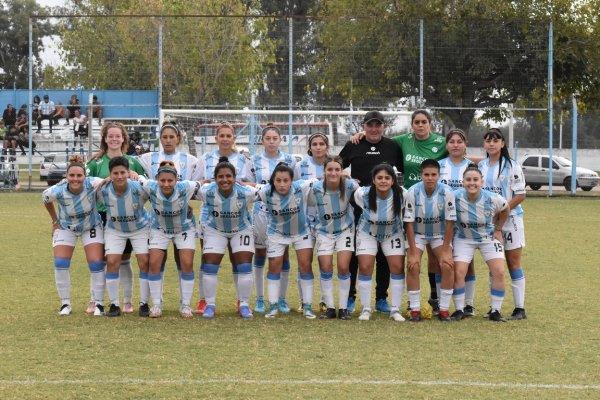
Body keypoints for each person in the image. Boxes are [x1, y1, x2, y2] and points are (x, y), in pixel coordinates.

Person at [350, 110, 452, 314]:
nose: (420, 125)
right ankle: (369, 304)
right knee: (391, 260)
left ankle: (435, 299)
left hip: (427, 201)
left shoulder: (441, 143)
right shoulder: (402, 141)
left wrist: (486, 159)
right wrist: (362, 136)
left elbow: (459, 152)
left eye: (424, 122)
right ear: (412, 124)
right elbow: (377, 138)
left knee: (437, 259)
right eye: (417, 122)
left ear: (430, 124)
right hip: (408, 202)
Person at [339, 110, 403, 314]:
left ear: (384, 126)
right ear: (363, 127)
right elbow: (337, 166)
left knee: (385, 255)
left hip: (387, 207)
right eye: (369, 125)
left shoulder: (392, 146)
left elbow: (402, 169)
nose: (374, 129)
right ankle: (350, 296)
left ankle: (381, 298)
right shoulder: (354, 144)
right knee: (359, 255)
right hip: (360, 206)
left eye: (378, 125)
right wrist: (349, 181)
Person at [137, 121, 200, 307]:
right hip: (159, 219)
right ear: (160, 139)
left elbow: (200, 182)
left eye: (172, 136)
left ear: (178, 138)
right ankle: (157, 303)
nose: (168, 140)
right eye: (164, 137)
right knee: (157, 260)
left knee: (184, 262)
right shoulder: (149, 158)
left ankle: (185, 304)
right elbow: (127, 162)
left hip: (183, 219)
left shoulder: (191, 160)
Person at [86, 122, 146, 314]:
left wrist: (135, 176)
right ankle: (95, 299)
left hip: (127, 216)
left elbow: (144, 189)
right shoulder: (95, 162)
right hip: (101, 215)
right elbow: (86, 186)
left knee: (125, 259)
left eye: (117, 136)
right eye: (110, 136)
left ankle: (127, 301)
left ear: (123, 138)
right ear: (104, 139)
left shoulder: (133, 162)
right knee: (101, 259)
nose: (114, 139)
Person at [194, 121, 250, 314]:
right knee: (208, 258)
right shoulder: (206, 158)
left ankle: (241, 301)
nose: (225, 139)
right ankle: (204, 301)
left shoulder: (243, 159)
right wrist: (209, 182)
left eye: (229, 136)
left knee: (238, 259)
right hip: (210, 215)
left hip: (238, 215)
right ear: (216, 138)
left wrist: (240, 183)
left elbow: (253, 183)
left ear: (234, 138)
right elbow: (196, 183)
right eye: (222, 135)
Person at [42, 155, 106, 316]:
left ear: (85, 176)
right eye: (72, 175)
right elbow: (45, 198)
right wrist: (54, 221)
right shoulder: (58, 190)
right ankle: (65, 304)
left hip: (90, 226)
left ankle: (99, 304)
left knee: (96, 263)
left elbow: (108, 180)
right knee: (60, 262)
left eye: (79, 175)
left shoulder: (92, 183)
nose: (75, 179)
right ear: (67, 176)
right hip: (66, 227)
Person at [196, 156, 259, 319]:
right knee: (210, 265)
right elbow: (185, 190)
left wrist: (251, 184)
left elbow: (268, 190)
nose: (225, 180)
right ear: (215, 179)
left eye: (228, 176)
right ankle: (210, 305)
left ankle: (244, 305)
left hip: (241, 229)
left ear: (235, 178)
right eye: (221, 177)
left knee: (244, 265)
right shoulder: (206, 191)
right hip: (215, 229)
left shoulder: (246, 192)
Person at [479, 128, 527, 320]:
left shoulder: (512, 166)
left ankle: (519, 308)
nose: (491, 144)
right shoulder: (481, 166)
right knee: (495, 264)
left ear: (502, 143)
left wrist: (501, 211)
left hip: (511, 221)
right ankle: (494, 308)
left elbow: (521, 195)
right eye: (488, 140)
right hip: (490, 223)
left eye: (495, 140)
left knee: (513, 262)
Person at [247, 124, 296, 314]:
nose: (271, 142)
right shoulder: (254, 160)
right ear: (262, 140)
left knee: (283, 255)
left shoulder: (290, 160)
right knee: (260, 255)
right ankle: (259, 299)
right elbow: (245, 182)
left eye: (275, 138)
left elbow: (296, 184)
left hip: (283, 214)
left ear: (280, 140)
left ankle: (281, 299)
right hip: (261, 212)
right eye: (268, 138)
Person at [257, 163, 315, 319]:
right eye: (278, 180)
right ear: (273, 181)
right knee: (274, 266)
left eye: (285, 180)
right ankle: (273, 305)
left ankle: (308, 306)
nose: (282, 184)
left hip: (301, 232)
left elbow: (323, 180)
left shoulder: (301, 186)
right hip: (276, 234)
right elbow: (249, 189)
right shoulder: (265, 192)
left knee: (305, 265)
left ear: (292, 180)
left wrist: (343, 176)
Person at [452, 165, 509, 322]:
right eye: (468, 180)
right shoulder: (455, 196)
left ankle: (495, 310)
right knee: (459, 272)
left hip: (488, 238)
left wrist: (498, 229)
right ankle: (459, 309)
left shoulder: (493, 198)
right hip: (464, 238)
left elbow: (506, 209)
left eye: (475, 180)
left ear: (482, 182)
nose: (472, 183)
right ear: (463, 182)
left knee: (499, 271)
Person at [97, 156, 151, 317]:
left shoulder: (138, 188)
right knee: (112, 261)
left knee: (144, 262)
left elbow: (155, 192)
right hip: (115, 229)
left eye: (122, 172)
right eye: (115, 173)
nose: (119, 176)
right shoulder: (103, 189)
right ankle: (114, 305)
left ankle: (144, 304)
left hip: (140, 228)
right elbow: (86, 185)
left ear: (128, 172)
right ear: (110, 174)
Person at [403, 159, 456, 321]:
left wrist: (446, 250)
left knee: (447, 264)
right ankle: (415, 310)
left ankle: (444, 310)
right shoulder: (412, 192)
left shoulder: (447, 192)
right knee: (413, 265)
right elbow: (409, 224)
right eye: (426, 175)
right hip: (418, 234)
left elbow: (450, 223)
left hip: (439, 235)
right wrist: (412, 252)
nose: (430, 178)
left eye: (433, 175)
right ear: (421, 175)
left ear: (439, 175)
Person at [353, 163, 406, 321]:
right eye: (380, 178)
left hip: (393, 232)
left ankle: (395, 309)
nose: (383, 181)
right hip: (367, 232)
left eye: (387, 178)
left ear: (393, 180)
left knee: (397, 267)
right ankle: (366, 308)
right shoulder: (362, 193)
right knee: (365, 266)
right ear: (373, 180)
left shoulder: (403, 194)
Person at [307, 155, 359, 320]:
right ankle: (329, 308)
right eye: (330, 169)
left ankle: (343, 308)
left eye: (337, 169)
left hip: (345, 230)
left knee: (344, 267)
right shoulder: (315, 188)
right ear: (324, 171)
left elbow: (363, 194)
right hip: (324, 232)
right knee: (326, 268)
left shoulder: (350, 185)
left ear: (342, 171)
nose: (333, 173)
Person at [438, 128, 477, 316]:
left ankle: (468, 305)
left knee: (467, 263)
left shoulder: (472, 166)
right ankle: (439, 301)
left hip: (465, 220)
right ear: (447, 145)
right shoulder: (439, 166)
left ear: (465, 144)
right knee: (441, 261)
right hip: (442, 220)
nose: (455, 145)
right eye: (452, 141)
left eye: (459, 141)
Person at [293, 132, 329, 312]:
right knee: (304, 262)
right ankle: (304, 300)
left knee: (325, 262)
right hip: (305, 220)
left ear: (327, 147)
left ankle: (324, 300)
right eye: (314, 144)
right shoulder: (300, 166)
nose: (318, 147)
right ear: (310, 147)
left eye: (321, 143)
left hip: (326, 222)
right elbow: (293, 189)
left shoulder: (333, 165)